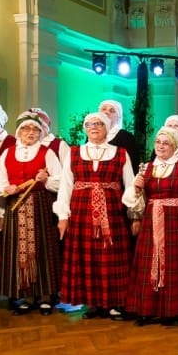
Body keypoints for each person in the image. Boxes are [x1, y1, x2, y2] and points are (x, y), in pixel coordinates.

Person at [56, 111, 137, 320]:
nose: (93, 128)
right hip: (82, 213)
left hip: (112, 214)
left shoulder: (120, 153)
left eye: (99, 124)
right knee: (87, 258)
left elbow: (130, 185)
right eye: (89, 124)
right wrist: (63, 215)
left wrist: (135, 214)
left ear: (107, 128)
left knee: (111, 257)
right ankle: (92, 302)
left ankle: (113, 302)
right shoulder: (74, 153)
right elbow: (65, 186)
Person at [122, 127, 178, 325]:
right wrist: (136, 188)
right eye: (158, 142)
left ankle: (174, 310)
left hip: (175, 219)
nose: (160, 146)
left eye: (165, 143)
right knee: (148, 263)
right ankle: (146, 309)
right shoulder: (147, 168)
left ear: (174, 146)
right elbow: (132, 201)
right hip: (151, 220)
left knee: (174, 264)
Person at [0, 112, 63, 315]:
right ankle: (27, 296)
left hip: (40, 207)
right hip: (15, 207)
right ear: (19, 132)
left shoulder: (47, 153)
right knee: (19, 251)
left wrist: (45, 180)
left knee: (43, 250)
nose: (31, 133)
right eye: (26, 129)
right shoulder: (8, 152)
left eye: (35, 130)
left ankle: (46, 296)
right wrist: (7, 188)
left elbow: (60, 182)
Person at [100, 98, 141, 171]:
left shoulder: (126, 136)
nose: (106, 112)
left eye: (112, 111)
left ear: (118, 117)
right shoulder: (92, 135)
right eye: (104, 109)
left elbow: (134, 164)